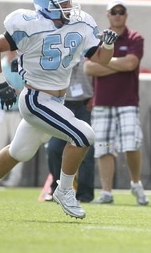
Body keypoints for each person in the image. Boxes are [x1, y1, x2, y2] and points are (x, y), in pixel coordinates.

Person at [0, 0, 118, 220]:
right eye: (64, 3)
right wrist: (1, 83)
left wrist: (109, 45)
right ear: (48, 6)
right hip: (36, 100)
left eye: (69, 1)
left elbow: (102, 59)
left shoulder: (80, 24)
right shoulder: (30, 25)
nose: (70, 6)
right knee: (84, 135)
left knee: (19, 152)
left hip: (56, 101)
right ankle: (63, 190)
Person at [84, 0, 149, 206]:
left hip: (127, 101)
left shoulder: (135, 37)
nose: (118, 15)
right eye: (114, 12)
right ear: (108, 15)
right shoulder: (97, 38)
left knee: (131, 144)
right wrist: (117, 64)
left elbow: (131, 64)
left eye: (121, 11)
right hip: (102, 101)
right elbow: (89, 68)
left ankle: (136, 183)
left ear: (126, 15)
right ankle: (106, 192)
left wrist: (104, 61)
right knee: (103, 147)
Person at [45, 57, 95, 203]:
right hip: (62, 105)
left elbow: (99, 78)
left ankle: (84, 195)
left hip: (84, 106)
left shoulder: (90, 51)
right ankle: (56, 190)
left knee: (86, 152)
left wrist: (95, 97)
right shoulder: (61, 51)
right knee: (53, 148)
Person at [0, 51, 25, 187]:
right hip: (0, 111)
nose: (11, 53)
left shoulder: (20, 66)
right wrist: (2, 85)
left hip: (15, 112)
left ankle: (13, 180)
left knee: (17, 146)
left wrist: (14, 90)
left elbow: (25, 88)